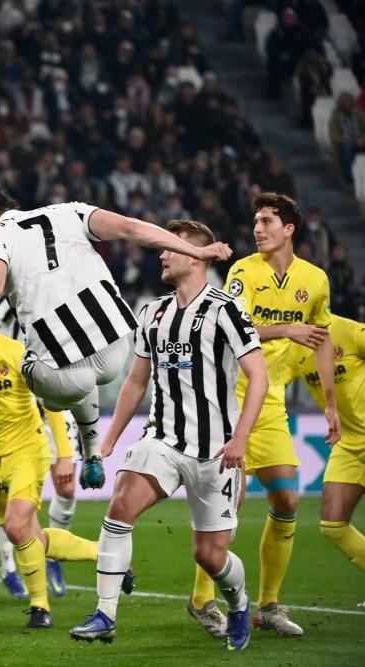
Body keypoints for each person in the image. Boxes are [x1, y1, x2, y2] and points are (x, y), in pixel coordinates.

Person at [0, 184, 232, 492]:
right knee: (84, 375)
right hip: (115, 344)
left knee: (33, 368)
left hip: (60, 365)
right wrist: (196, 252)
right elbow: (130, 228)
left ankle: (85, 439)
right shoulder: (69, 211)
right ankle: (91, 450)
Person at [70, 220, 268, 651]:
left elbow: (259, 377)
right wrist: (107, 441)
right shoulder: (152, 312)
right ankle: (105, 614)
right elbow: (135, 382)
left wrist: (240, 438)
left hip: (216, 450)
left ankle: (238, 604)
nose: (161, 252)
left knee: (210, 556)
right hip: (162, 440)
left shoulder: (226, 310)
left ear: (196, 257)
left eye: (171, 247)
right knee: (120, 507)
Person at [0, 294, 128, 630]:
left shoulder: (13, 352)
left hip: (28, 449)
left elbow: (51, 401)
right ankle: (107, 555)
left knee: (15, 526)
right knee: (31, 535)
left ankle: (40, 607)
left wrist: (64, 454)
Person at [191, 193, 341, 637]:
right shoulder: (244, 271)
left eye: (267, 221)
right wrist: (286, 329)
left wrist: (330, 403)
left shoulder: (315, 280)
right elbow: (231, 328)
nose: (258, 229)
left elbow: (322, 340)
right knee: (228, 505)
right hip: (230, 399)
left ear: (289, 228)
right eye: (256, 221)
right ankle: (202, 599)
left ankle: (269, 606)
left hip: (271, 402)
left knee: (287, 500)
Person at [0, 296, 80, 599]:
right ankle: (7, 566)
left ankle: (52, 556)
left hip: (55, 393)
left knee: (66, 487)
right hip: (16, 398)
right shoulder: (9, 300)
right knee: (8, 493)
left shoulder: (66, 296)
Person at [285, 315, 364, 572]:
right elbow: (269, 380)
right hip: (348, 443)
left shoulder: (349, 331)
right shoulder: (295, 347)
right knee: (333, 525)